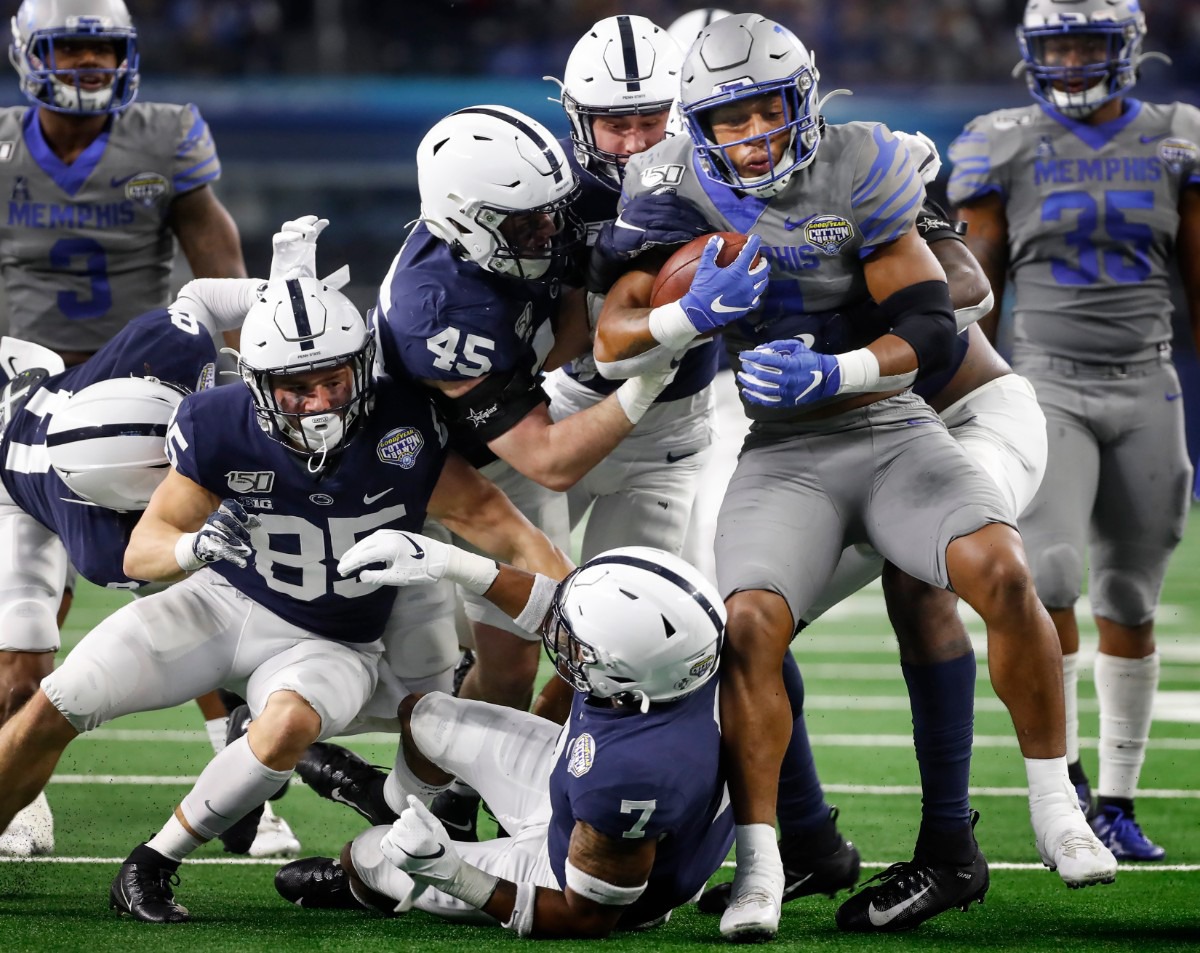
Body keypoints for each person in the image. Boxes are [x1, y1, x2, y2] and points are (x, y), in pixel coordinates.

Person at [594, 13, 1114, 941]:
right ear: (693, 121)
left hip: (950, 406)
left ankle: (1006, 825)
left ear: (805, 100)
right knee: (745, 623)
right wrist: (688, 317)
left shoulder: (870, 160)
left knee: (949, 575)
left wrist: (844, 363)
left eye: (768, 112)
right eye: (727, 119)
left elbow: (953, 304)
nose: (754, 138)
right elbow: (614, 332)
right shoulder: (668, 187)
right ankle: (793, 849)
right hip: (794, 439)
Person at [0, 272, 569, 924]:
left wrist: (578, 597)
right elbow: (144, 547)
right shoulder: (217, 423)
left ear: (362, 366)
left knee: (299, 722)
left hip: (333, 638)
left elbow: (502, 528)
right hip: (224, 603)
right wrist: (194, 547)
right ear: (259, 384)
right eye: (299, 388)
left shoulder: (401, 428)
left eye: (335, 379)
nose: (322, 401)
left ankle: (151, 862)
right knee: (61, 700)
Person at [696, 132, 1051, 932]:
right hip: (855, 442)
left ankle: (952, 845)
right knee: (752, 623)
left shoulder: (859, 190)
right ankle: (813, 841)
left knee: (924, 577)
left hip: (964, 416)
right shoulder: (722, 218)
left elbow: (967, 290)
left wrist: (849, 354)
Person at [367, 103, 679, 836]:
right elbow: (550, 460)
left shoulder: (527, 219)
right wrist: (649, 375)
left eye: (552, 212)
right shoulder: (435, 309)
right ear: (465, 222)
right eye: (524, 223)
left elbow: (567, 336)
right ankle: (395, 805)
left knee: (510, 667)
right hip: (416, 457)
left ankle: (451, 801)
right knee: (394, 655)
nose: (550, 231)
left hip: (499, 429)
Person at [948, 0, 1199, 862]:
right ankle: (1071, 784)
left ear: (1127, 46)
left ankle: (1121, 799)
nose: (1074, 59)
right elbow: (973, 292)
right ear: (1030, 52)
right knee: (1050, 575)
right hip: (1046, 384)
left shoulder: (1176, 136)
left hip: (1145, 384)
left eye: (1090, 42)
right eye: (1058, 44)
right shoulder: (1002, 139)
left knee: (1130, 597)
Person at [275, 540, 734, 939]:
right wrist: (444, 559)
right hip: (584, 795)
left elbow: (585, 919)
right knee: (427, 715)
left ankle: (362, 886)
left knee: (368, 853)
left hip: (577, 882)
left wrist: (448, 872)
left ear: (622, 674)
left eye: (579, 643)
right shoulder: (698, 654)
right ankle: (390, 801)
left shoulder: (630, 776)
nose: (559, 636)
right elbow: (557, 612)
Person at [2, 0, 246, 365]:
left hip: (137, 370)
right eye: (68, 47)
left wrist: (254, 371)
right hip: (20, 376)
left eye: (104, 47)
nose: (90, 59)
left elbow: (222, 273)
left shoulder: (164, 137)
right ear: (29, 55)